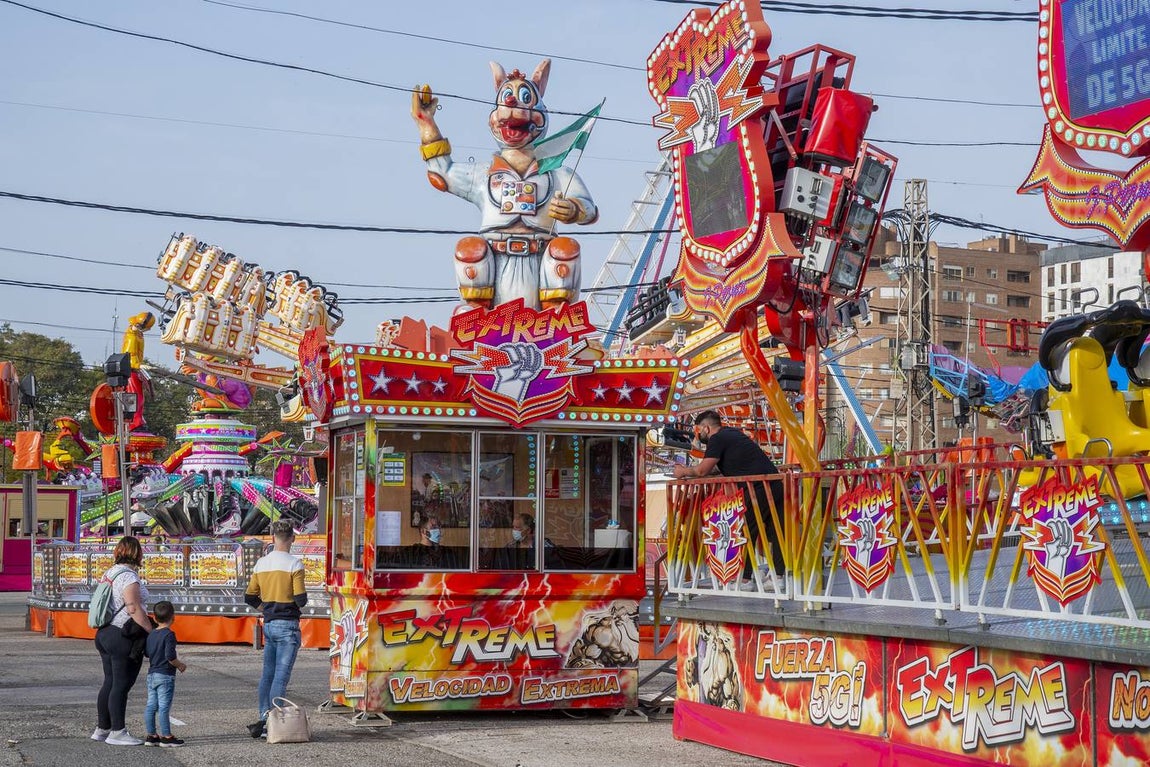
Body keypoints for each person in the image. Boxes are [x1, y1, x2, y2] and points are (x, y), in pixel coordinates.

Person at [672, 410, 785, 580]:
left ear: (706, 428)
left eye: (698, 430)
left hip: (757, 488)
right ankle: (779, 576)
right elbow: (718, 467)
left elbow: (702, 470)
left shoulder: (717, 439)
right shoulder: (731, 434)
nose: (698, 434)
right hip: (774, 484)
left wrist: (682, 472)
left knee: (745, 530)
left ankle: (746, 578)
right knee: (775, 529)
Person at [244, 520, 307, 738]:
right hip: (288, 624)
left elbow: (249, 596)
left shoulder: (261, 564)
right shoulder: (294, 564)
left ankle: (263, 717)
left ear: (272, 538)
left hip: (269, 623)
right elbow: (301, 599)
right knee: (281, 676)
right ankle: (272, 721)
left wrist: (266, 608)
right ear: (292, 538)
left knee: (267, 675)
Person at [92, 535, 153, 746]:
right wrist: (150, 630)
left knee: (109, 681)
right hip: (123, 634)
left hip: (105, 632)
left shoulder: (110, 572)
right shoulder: (129, 577)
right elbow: (133, 607)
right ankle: (118, 731)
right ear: (136, 553)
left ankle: (102, 728)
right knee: (121, 684)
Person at [142, 600, 187, 747]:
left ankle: (151, 735)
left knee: (151, 705)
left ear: (154, 618)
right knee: (163, 707)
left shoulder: (151, 634)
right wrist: (180, 665)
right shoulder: (169, 635)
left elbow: (147, 653)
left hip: (152, 674)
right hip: (165, 675)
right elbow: (170, 656)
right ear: (173, 617)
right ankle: (167, 736)